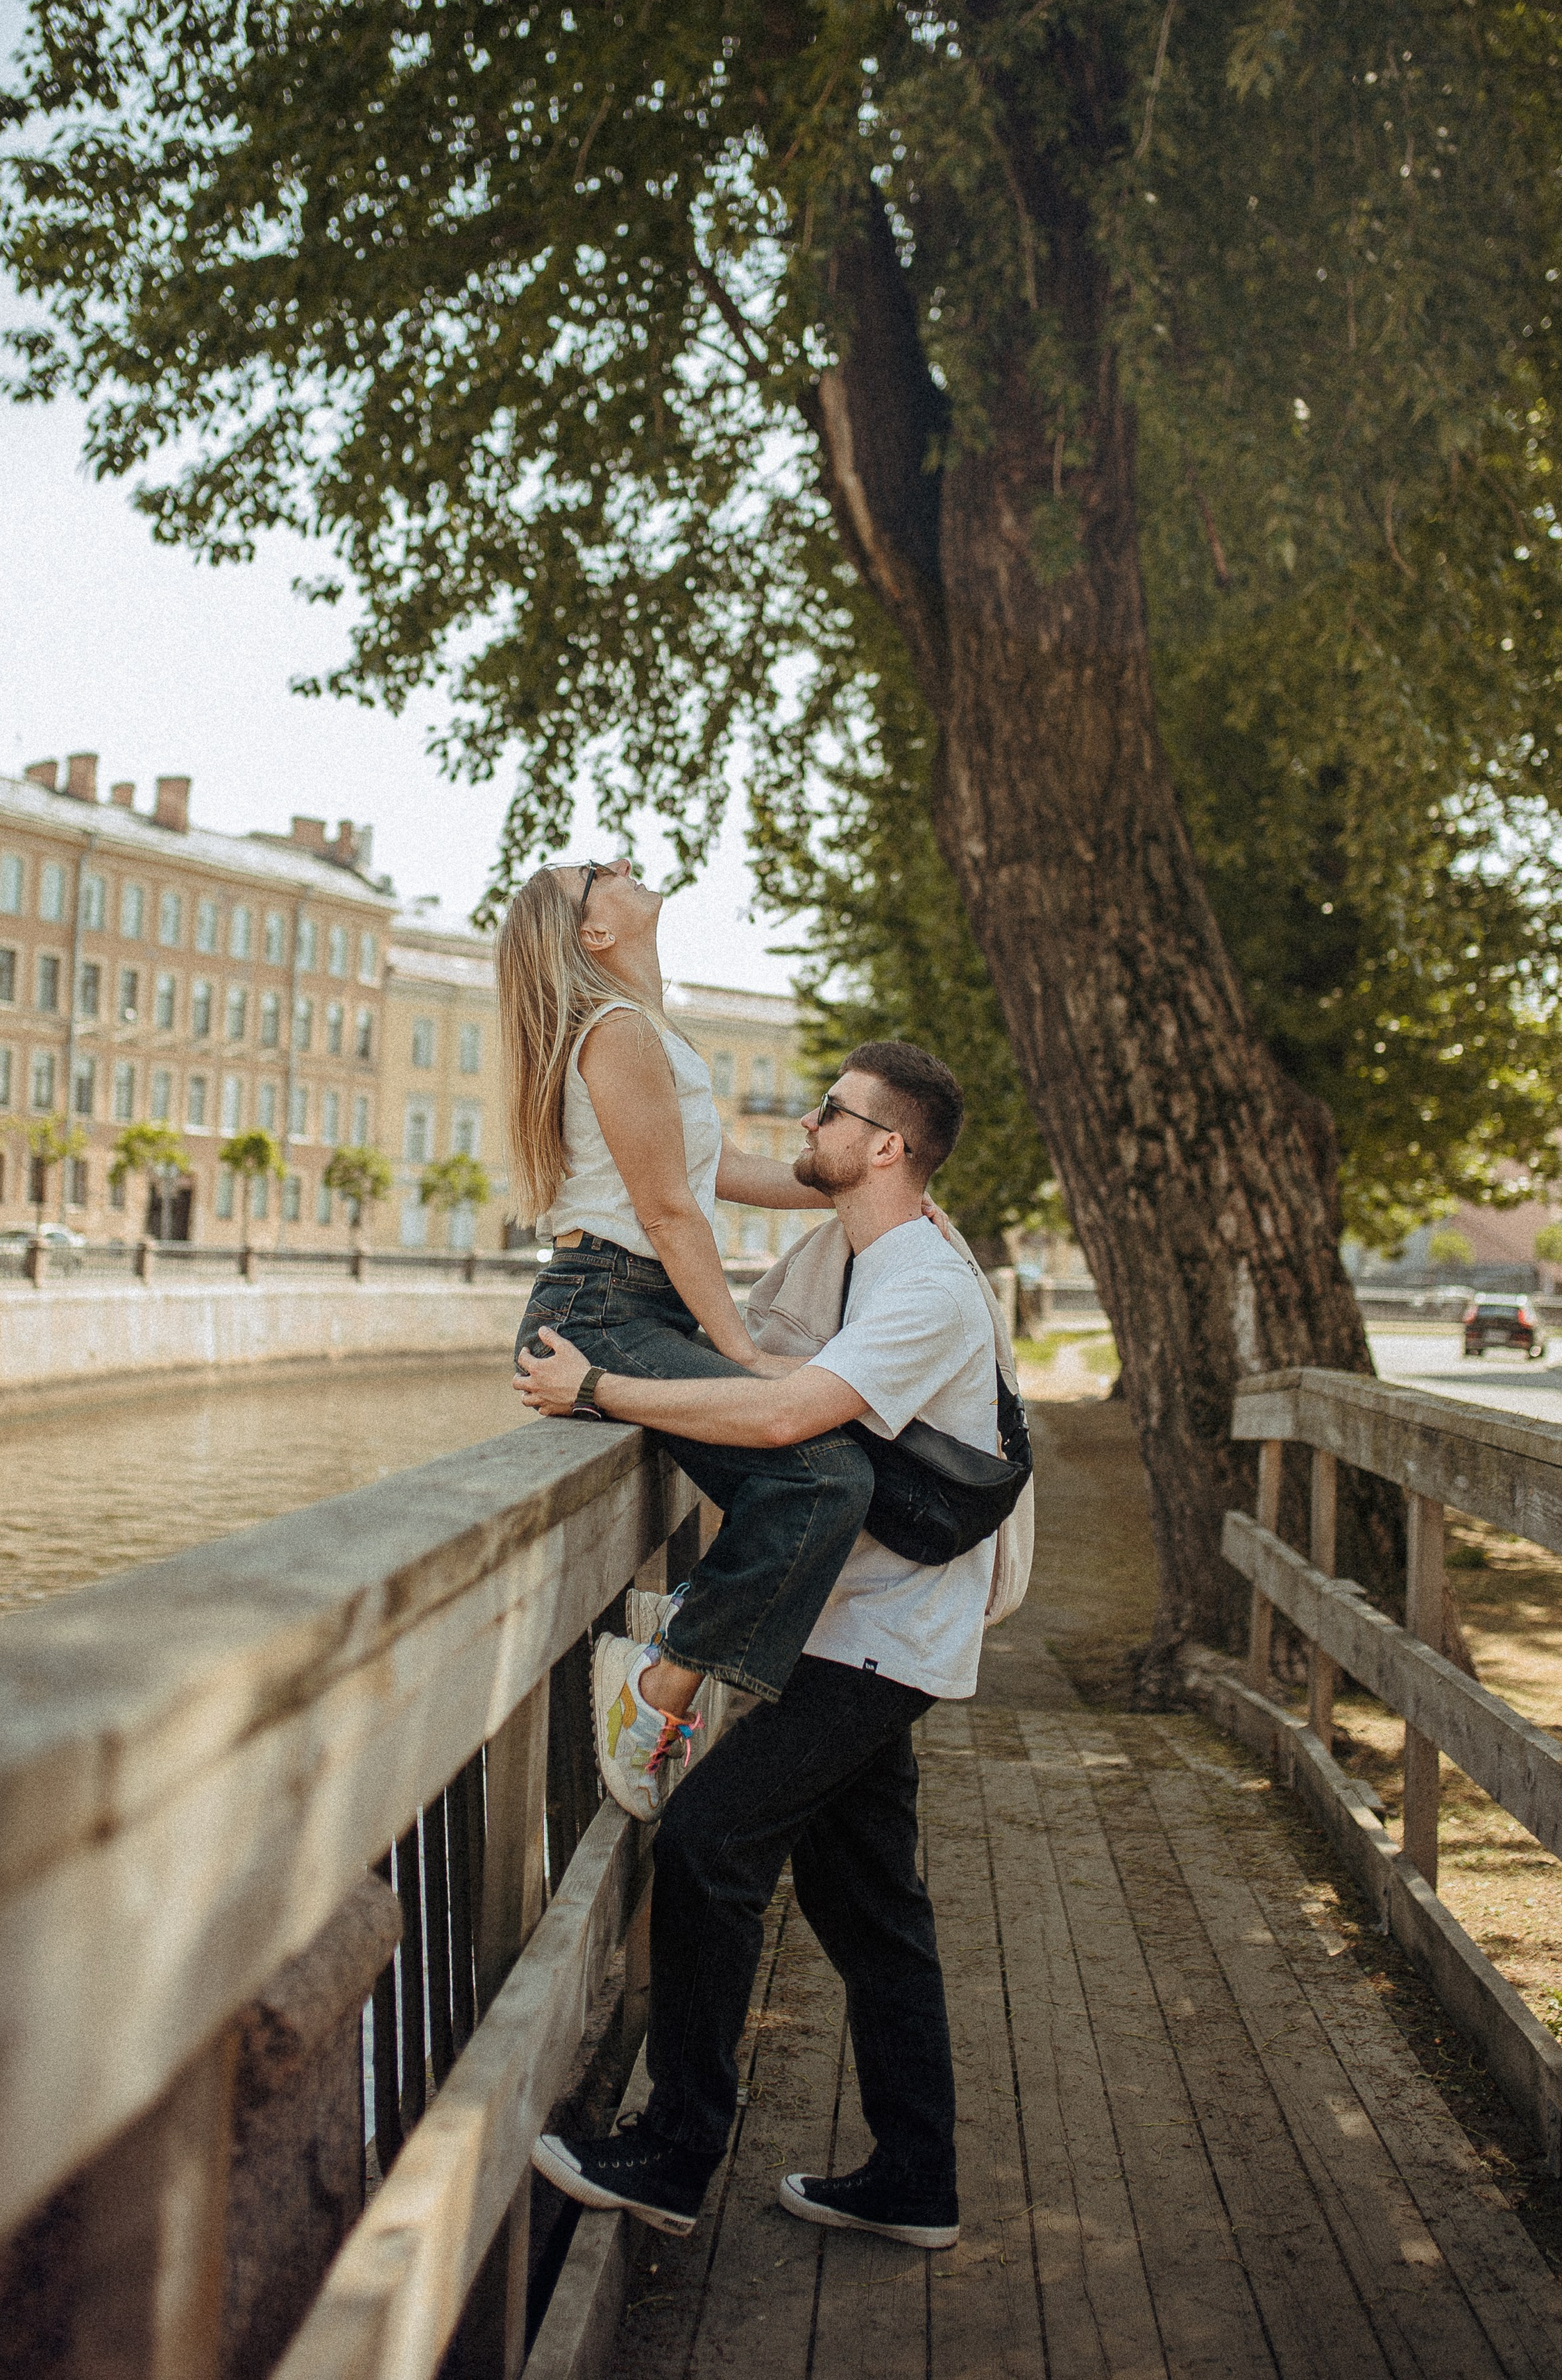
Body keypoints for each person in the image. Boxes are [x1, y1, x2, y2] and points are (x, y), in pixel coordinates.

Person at [516, 1041, 1001, 2254]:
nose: (809, 1117)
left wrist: (601, 1390)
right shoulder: (843, 1248)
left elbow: (787, 1414)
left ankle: (675, 2153)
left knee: (709, 1841)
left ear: (885, 1146)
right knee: (872, 1907)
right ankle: (917, 2179)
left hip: (885, 1634)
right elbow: (748, 1356)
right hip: (844, 1617)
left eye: (832, 1109)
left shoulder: (929, 1286)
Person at [497, 855, 876, 1816]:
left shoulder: (645, 1032)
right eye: (597, 874)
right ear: (594, 933)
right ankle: (663, 1675)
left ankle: (680, 1639)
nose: (621, 864)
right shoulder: (616, 1032)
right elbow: (669, 1213)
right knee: (825, 1473)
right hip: (604, 1309)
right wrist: (744, 1353)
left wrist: (875, 1186)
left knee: (821, 1468)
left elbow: (717, 1172)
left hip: (637, 1305)